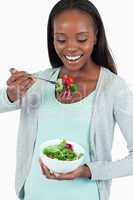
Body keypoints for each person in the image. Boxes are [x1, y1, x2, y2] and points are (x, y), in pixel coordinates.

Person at [0, 0, 133, 200]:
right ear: (52, 39)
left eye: (81, 39)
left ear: (96, 36)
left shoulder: (113, 88)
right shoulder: (39, 82)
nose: (71, 48)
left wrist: (89, 170)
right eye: (61, 39)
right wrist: (11, 95)